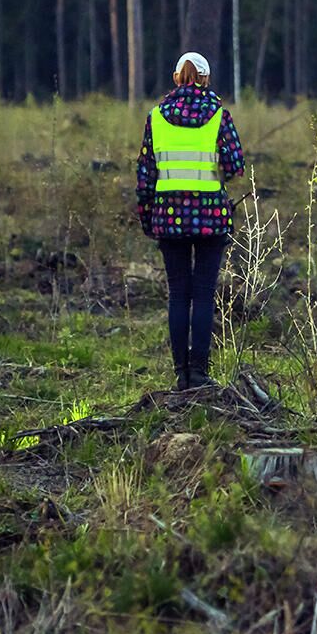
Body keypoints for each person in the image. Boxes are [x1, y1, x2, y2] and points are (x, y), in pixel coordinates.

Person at [136, 52, 246, 390]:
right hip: (211, 218)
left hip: (168, 219)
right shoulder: (219, 116)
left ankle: (180, 374)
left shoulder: (155, 117)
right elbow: (235, 165)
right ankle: (199, 371)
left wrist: (147, 218)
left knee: (178, 295)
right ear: (205, 79)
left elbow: (145, 176)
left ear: (176, 77)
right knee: (203, 293)